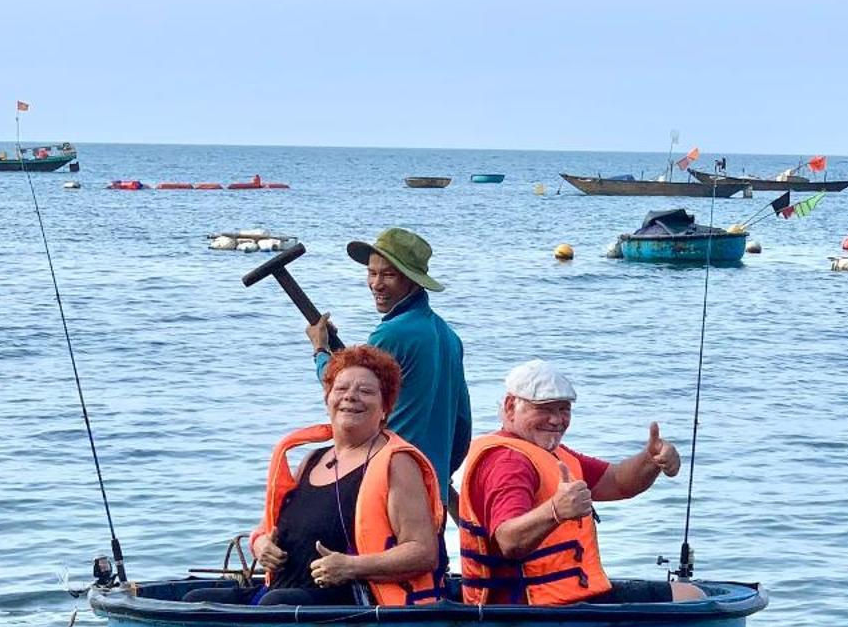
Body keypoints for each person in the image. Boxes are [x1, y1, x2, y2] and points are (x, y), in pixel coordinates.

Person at [456, 360, 703, 605]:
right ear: (511, 407)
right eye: (544, 409)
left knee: (690, 594)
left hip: (568, 598)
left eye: (564, 409)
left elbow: (618, 482)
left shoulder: (552, 453)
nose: (556, 420)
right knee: (691, 597)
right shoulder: (508, 462)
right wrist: (555, 511)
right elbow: (509, 541)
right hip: (528, 610)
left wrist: (652, 459)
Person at [239, 345, 445, 607]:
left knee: (277, 603)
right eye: (341, 389)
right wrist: (260, 544)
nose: (351, 397)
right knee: (198, 600)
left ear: (385, 409)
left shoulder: (397, 463)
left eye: (366, 391)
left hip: (353, 603)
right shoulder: (311, 460)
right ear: (328, 400)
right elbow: (266, 528)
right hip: (282, 591)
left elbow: (423, 552)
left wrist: (350, 566)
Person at [304, 228, 470, 505]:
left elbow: (344, 390)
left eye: (389, 275)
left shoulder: (392, 334)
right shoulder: (448, 336)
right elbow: (462, 424)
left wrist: (320, 350)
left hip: (390, 484)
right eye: (372, 273)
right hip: (432, 486)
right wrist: (441, 474)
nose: (376, 284)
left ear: (413, 281)